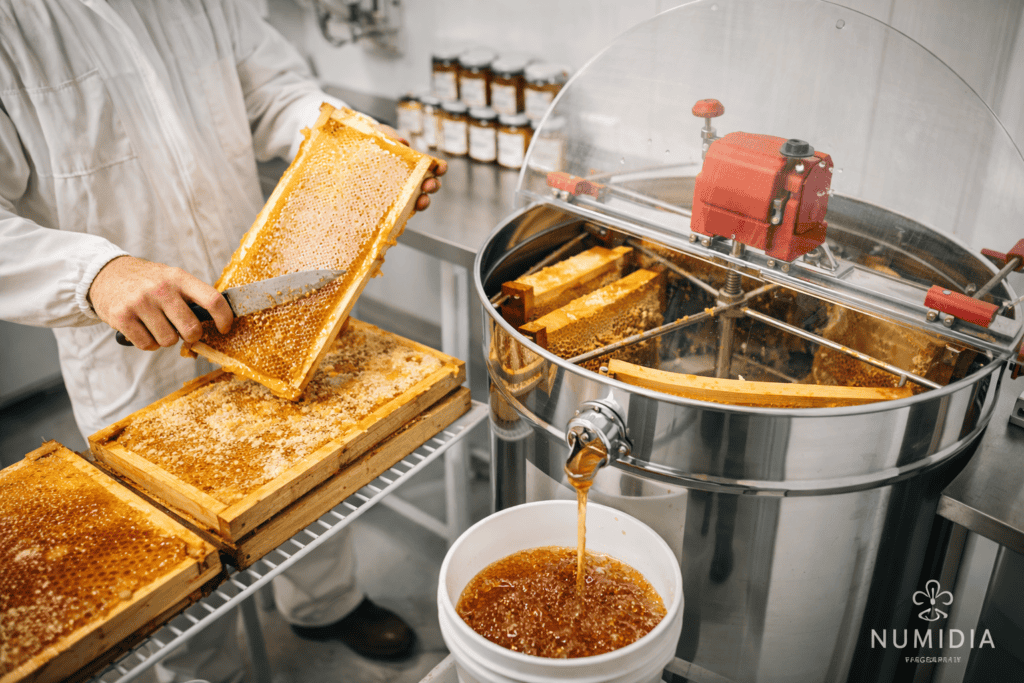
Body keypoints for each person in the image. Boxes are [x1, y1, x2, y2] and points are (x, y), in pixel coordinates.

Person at [0, 1, 444, 681]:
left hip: (265, 307)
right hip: (132, 347)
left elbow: (275, 91)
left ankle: (326, 603)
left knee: (301, 464)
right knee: (170, 538)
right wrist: (93, 272)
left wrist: (361, 155)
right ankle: (206, 669)